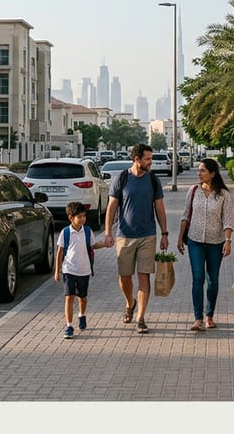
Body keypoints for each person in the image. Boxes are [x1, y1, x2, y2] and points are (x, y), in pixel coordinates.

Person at [102, 143, 170, 334]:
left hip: (148, 235)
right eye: (148, 159)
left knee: (143, 276)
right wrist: (107, 232)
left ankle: (140, 317)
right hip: (124, 236)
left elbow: (160, 208)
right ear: (136, 159)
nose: (151, 162)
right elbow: (112, 207)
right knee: (124, 277)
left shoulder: (153, 180)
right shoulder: (121, 178)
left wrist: (164, 233)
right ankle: (129, 302)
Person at [176, 157, 233, 331]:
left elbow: (228, 221)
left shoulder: (224, 195)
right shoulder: (193, 191)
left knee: (212, 280)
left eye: (202, 171)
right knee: (198, 278)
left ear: (212, 173)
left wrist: (228, 241)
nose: (199, 173)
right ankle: (198, 318)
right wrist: (179, 238)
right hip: (195, 241)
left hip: (216, 242)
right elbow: (185, 215)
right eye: (199, 170)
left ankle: (209, 316)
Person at [53, 202, 108, 339]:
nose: (83, 219)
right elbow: (60, 252)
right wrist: (57, 270)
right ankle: (69, 325)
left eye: (84, 216)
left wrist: (105, 244)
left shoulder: (87, 231)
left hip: (84, 271)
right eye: (79, 216)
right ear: (71, 218)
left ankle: (82, 315)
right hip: (69, 270)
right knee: (69, 297)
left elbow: (93, 245)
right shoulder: (65, 233)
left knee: (82, 298)